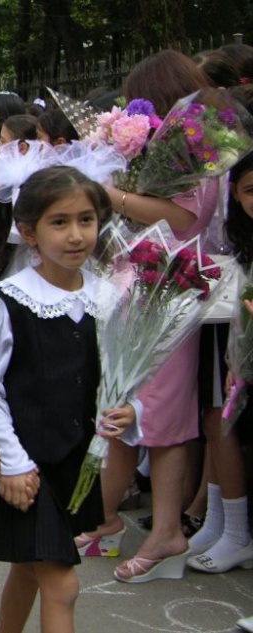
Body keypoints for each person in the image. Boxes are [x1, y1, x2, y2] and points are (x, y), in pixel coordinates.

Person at [0, 166, 137, 633]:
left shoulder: (106, 296)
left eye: (86, 220)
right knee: (61, 585)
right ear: (29, 232)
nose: (76, 234)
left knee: (29, 568)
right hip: (25, 466)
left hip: (73, 467)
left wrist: (129, 408)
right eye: (59, 222)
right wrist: (14, 463)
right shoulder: (14, 300)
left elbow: (115, 375)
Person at [78, 50, 219, 584]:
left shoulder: (196, 148)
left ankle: (165, 532)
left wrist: (113, 194)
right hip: (145, 282)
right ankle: (105, 517)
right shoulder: (174, 145)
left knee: (158, 418)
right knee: (122, 406)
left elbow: (185, 217)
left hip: (173, 285)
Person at [182, 152, 253, 574]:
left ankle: (236, 530)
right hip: (234, 338)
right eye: (248, 191)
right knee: (217, 418)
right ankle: (222, 522)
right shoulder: (241, 243)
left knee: (220, 421)